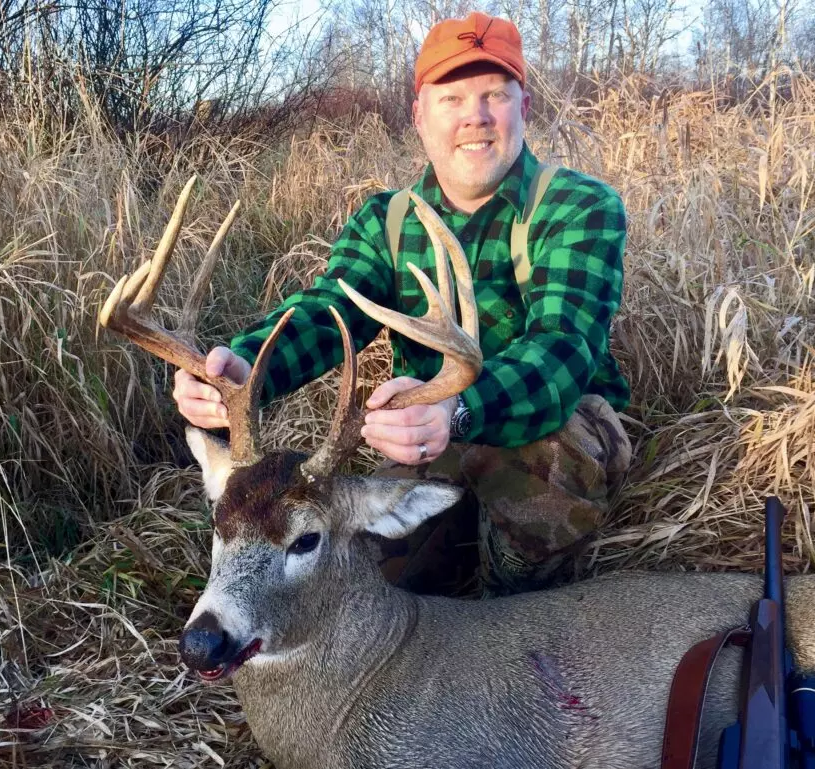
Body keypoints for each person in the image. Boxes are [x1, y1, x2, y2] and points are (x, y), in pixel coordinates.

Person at [173, 11, 632, 597]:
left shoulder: (577, 206)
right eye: (453, 97)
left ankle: (515, 611)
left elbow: (562, 351)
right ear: (420, 115)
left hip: (546, 426)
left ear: (525, 109)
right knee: (369, 579)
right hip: (424, 440)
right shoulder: (385, 221)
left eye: (496, 94)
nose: (476, 115)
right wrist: (246, 367)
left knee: (540, 477)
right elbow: (329, 311)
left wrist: (458, 409)